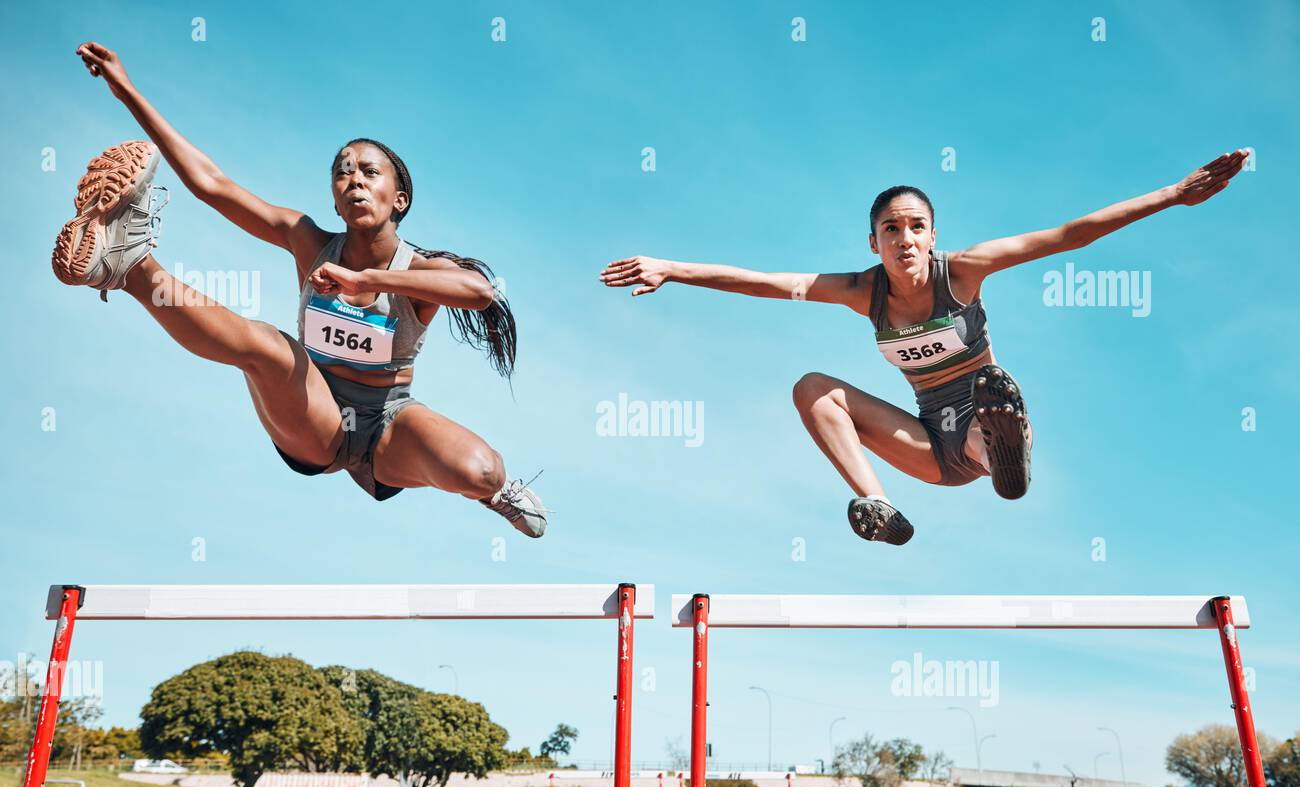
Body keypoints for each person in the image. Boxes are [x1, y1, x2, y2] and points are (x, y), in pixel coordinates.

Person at [601, 152, 1248, 544]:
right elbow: (766, 283)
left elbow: (1068, 235)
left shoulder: (961, 272)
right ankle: (878, 506)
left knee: (991, 391)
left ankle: (1006, 458)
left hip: (976, 429)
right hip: (926, 451)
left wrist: (1173, 195)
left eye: (916, 227)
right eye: (891, 229)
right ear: (873, 242)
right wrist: (671, 266)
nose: (905, 238)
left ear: (933, 236)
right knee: (811, 389)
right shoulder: (860, 291)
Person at [53, 42, 545, 535]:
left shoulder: (419, 270)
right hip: (313, 414)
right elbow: (212, 185)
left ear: (400, 199)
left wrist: (369, 279)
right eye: (342, 172)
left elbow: (480, 292)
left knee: (483, 469)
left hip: (387, 426)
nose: (354, 179)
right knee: (270, 348)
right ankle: (129, 267)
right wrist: (126, 91)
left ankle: (495, 493)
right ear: (335, 200)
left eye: (369, 172)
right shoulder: (309, 241)